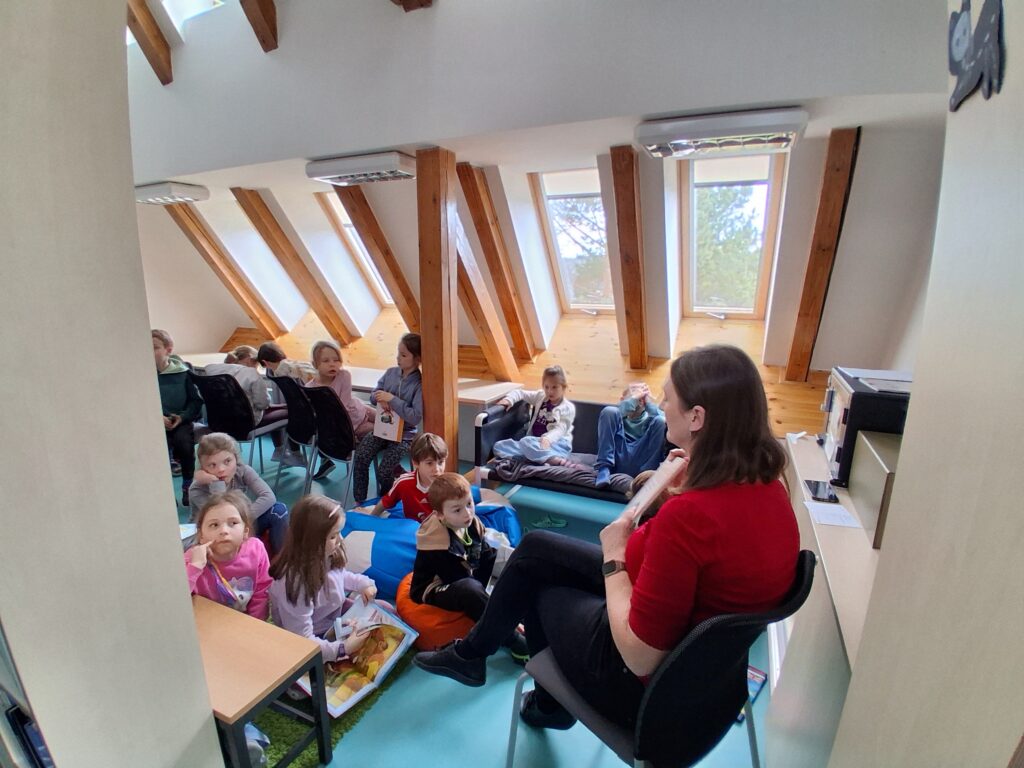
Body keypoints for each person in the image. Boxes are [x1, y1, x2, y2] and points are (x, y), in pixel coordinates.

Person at [414, 344, 800, 733]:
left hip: (641, 685)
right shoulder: (769, 489)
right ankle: (476, 656)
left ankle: (540, 698)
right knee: (536, 547)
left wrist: (614, 556)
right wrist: (678, 481)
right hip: (703, 676)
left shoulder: (690, 517)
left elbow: (640, 655)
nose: (661, 406)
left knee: (536, 582)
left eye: (668, 399)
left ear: (697, 417)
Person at [409, 473, 528, 660]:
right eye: (457, 510)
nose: (467, 513)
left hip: (464, 572)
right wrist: (500, 614)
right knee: (470, 589)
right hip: (434, 586)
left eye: (469, 504)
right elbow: (461, 581)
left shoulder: (471, 522)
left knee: (514, 562)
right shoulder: (437, 543)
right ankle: (511, 639)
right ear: (440, 514)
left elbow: (485, 555)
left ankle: (525, 614)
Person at [268, 495, 381, 663]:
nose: (341, 539)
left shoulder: (327, 552)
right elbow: (302, 640)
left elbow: (339, 576)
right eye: (333, 536)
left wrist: (363, 584)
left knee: (383, 609)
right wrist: (343, 648)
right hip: (309, 636)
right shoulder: (295, 582)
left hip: (331, 617)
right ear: (311, 540)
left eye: (339, 533)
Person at [189, 433, 291, 558]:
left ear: (236, 459)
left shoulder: (242, 470)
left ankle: (282, 561)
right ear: (202, 468)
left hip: (239, 522)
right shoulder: (196, 489)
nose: (221, 469)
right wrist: (215, 483)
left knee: (278, 510)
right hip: (214, 532)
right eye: (212, 465)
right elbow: (222, 515)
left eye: (227, 461)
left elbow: (269, 496)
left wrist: (242, 519)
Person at [351, 332, 423, 503]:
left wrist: (392, 400)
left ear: (417, 359)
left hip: (404, 436)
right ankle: (360, 502)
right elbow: (373, 394)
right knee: (361, 457)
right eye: (398, 353)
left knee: (385, 471)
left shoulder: (419, 384)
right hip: (382, 429)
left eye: (404, 355)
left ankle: (387, 501)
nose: (398, 358)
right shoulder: (391, 373)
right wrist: (379, 398)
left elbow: (415, 417)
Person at [184, 490, 271, 619]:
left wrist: (254, 623)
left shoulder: (256, 549)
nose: (224, 531)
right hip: (208, 621)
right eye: (214, 525)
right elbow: (177, 600)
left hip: (247, 621)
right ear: (201, 535)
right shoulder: (192, 558)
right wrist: (195, 567)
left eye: (233, 523)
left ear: (245, 531)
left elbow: (262, 592)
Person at [306, 339, 375, 480]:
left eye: (336, 360)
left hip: (361, 410)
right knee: (383, 431)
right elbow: (332, 415)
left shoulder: (344, 375)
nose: (332, 364)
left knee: (391, 422)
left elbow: (344, 404)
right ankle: (394, 468)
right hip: (352, 426)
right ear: (315, 364)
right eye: (326, 361)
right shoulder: (310, 388)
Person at [153, 329, 202, 506]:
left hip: (179, 421)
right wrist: (157, 417)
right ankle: (165, 492)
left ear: (168, 350)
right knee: (158, 449)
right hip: (154, 422)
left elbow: (195, 402)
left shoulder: (182, 373)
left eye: (155, 347)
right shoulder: (143, 375)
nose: (149, 352)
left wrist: (181, 417)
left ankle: (188, 485)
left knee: (184, 444)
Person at [491, 366, 577, 466]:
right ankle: (542, 459)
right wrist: (509, 400)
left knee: (526, 442)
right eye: (546, 387)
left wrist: (547, 439)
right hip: (535, 443)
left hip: (557, 444)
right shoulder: (540, 396)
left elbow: (560, 429)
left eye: (554, 387)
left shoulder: (567, 408)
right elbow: (520, 393)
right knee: (499, 446)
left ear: (563, 387)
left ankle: (557, 460)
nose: (550, 391)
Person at [357, 432, 447, 522]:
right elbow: (385, 502)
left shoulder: (447, 486)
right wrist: (372, 517)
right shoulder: (403, 482)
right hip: (412, 527)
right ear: (416, 463)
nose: (437, 469)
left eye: (440, 462)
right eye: (429, 463)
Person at [594, 382, 667, 488]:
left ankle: (646, 477)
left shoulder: (651, 418)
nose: (638, 398)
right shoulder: (617, 415)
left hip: (642, 464)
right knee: (609, 410)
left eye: (642, 396)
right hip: (617, 459)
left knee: (660, 421)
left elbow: (663, 420)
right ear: (622, 399)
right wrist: (633, 399)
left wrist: (649, 403)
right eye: (634, 393)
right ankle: (604, 469)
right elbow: (618, 412)